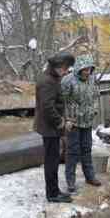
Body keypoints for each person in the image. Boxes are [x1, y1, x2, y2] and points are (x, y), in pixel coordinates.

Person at [34, 52, 75, 203]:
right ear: (57, 66)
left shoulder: (52, 78)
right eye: (65, 68)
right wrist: (60, 122)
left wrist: (63, 118)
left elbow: (54, 105)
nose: (66, 72)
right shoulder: (47, 81)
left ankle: (54, 190)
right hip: (49, 128)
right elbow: (47, 107)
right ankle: (52, 194)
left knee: (54, 160)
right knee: (51, 162)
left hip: (51, 127)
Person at [61, 54, 102, 193]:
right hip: (73, 122)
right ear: (78, 69)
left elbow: (96, 96)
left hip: (87, 121)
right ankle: (70, 180)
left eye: (89, 69)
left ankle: (90, 176)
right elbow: (61, 102)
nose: (87, 72)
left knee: (87, 149)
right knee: (72, 151)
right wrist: (67, 119)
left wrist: (95, 109)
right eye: (85, 69)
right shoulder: (68, 81)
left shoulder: (92, 80)